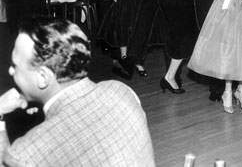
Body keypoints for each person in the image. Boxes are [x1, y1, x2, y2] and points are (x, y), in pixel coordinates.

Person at [0, 17, 155, 166]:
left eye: (15, 65)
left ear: (43, 78)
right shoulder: (122, 91)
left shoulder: (28, 152)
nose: (11, 71)